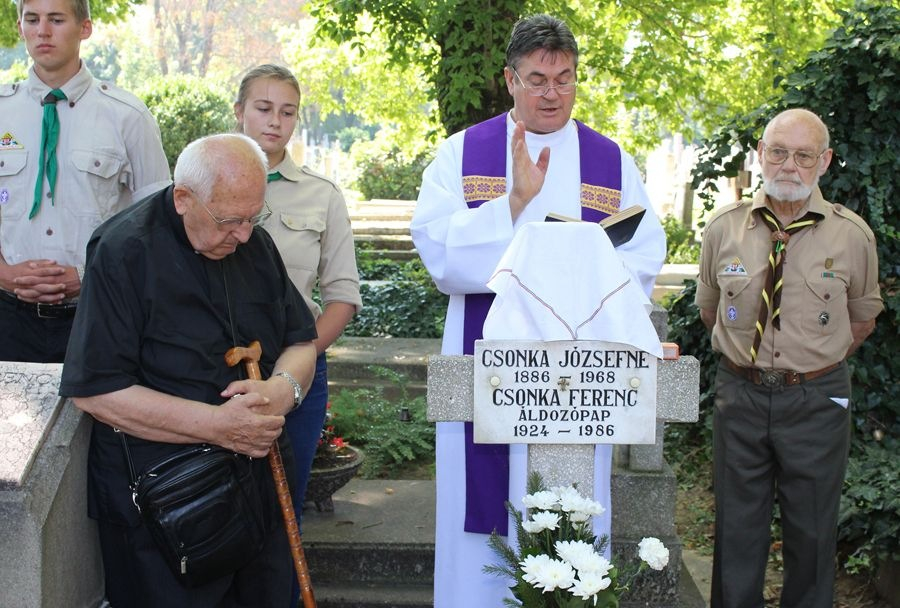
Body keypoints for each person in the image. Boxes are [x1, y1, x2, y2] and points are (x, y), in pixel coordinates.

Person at [410, 14, 666, 606]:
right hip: (493, 364)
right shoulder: (463, 154)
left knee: (574, 514)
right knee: (479, 518)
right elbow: (439, 251)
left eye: (564, 78)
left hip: (580, 376)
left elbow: (644, 255)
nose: (552, 93)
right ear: (510, 79)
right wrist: (512, 204)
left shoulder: (610, 161)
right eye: (537, 79)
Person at [59, 133, 318, 608]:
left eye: (253, 217)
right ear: (183, 198)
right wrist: (219, 426)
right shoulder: (124, 250)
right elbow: (96, 390)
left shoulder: (255, 245)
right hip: (166, 504)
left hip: (258, 490)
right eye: (229, 221)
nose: (243, 235)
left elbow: (301, 341)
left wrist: (282, 391)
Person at [695, 108, 883, 607]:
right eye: (778, 152)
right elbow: (711, 312)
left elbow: (861, 321)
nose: (789, 166)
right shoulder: (724, 229)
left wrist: (810, 366)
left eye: (803, 155)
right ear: (761, 154)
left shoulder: (852, 235)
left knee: (813, 532)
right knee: (736, 530)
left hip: (817, 399)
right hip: (740, 395)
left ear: (824, 161)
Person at [233, 63, 362, 606]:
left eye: (287, 112)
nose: (275, 121)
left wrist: (299, 359)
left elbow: (342, 296)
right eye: (263, 108)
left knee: (284, 513)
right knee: (215, 507)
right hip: (213, 370)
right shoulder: (197, 182)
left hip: (296, 370)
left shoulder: (321, 195)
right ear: (238, 112)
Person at [0, 0, 170, 363]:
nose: (42, 31)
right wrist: (3, 273)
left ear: (85, 28)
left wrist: (88, 273)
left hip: (98, 314)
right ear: (20, 28)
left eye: (56, 19)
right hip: (7, 318)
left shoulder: (127, 116)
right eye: (32, 19)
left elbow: (159, 225)